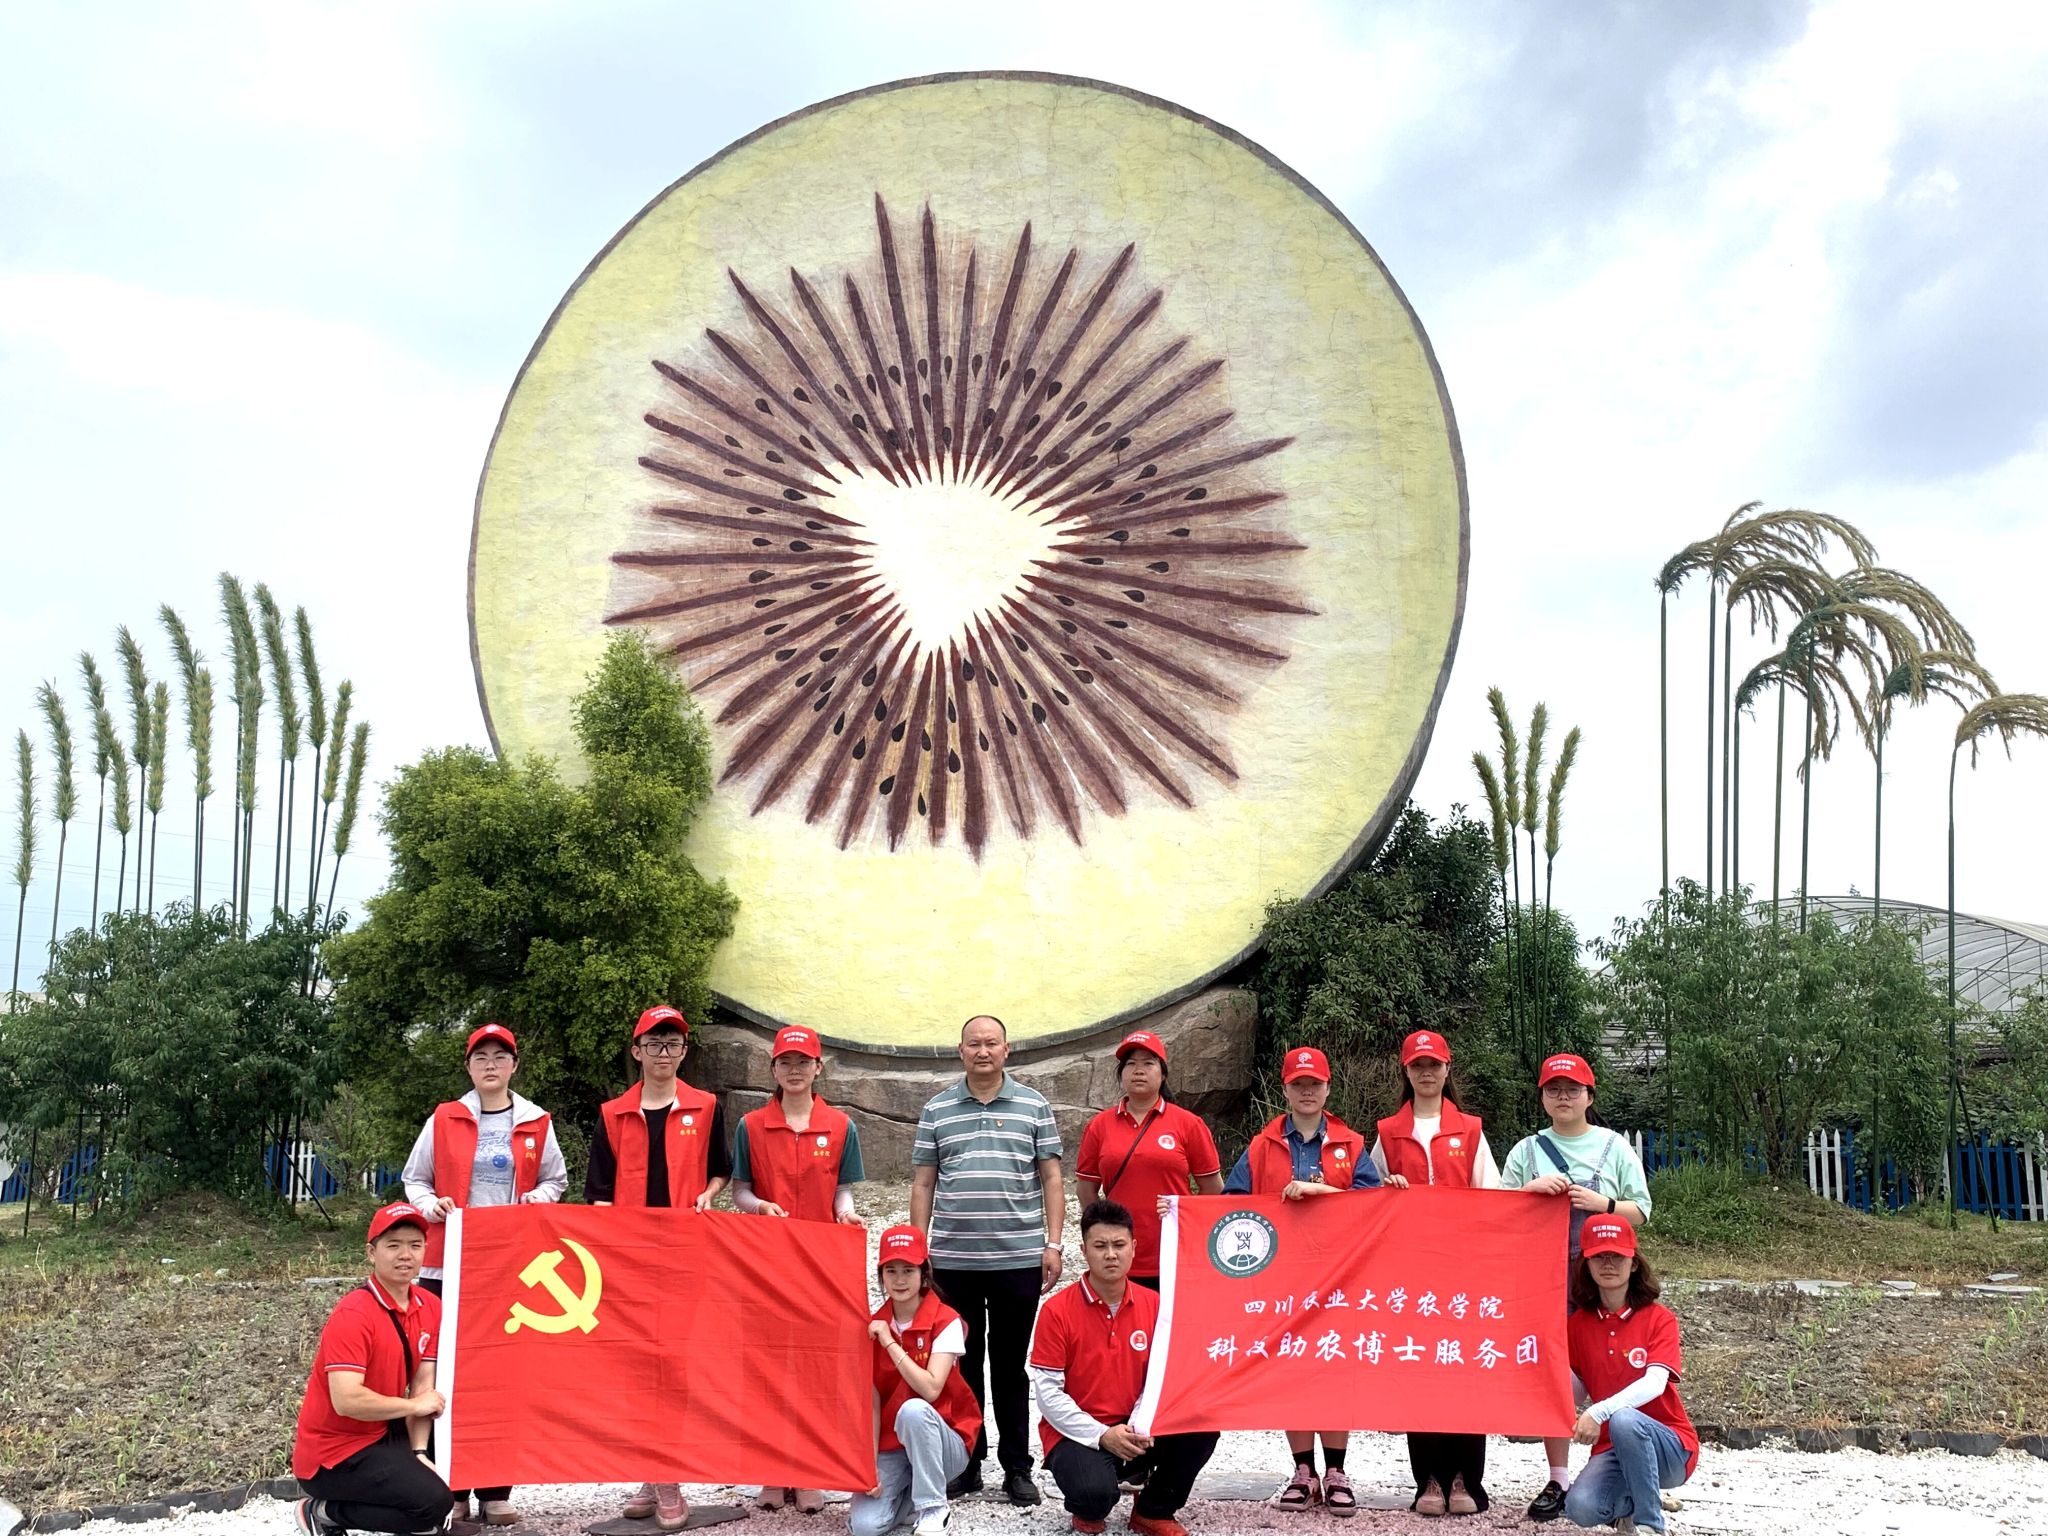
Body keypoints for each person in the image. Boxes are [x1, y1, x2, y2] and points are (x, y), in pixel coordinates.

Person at [400, 1022, 567, 1527]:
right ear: (469, 1067)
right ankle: (451, 1485)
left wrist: (536, 1199)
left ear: (514, 1065)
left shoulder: (536, 1121)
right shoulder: (444, 1118)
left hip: (510, 1264)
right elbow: (414, 1179)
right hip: (446, 1263)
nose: (490, 1065)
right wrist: (430, 1205)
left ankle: (496, 1488)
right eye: (481, 1057)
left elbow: (555, 1180)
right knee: (444, 1371)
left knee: (500, 1371)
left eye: (500, 1057)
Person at [586, 1004, 733, 1529]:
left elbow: (720, 1170)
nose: (664, 1052)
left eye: (673, 1043)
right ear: (637, 1051)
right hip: (628, 1262)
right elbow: (598, 1193)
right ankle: (653, 1475)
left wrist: (709, 1194)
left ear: (684, 1051)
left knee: (675, 1366)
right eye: (654, 1043)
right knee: (635, 1368)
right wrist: (610, 1252)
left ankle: (668, 1477)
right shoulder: (612, 1114)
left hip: (685, 1257)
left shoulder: (707, 1107)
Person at [910, 1014, 1064, 1507]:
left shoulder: (1034, 1105)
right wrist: (917, 1249)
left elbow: (1052, 1178)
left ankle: (1018, 1468)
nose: (982, 1051)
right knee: (963, 1365)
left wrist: (1054, 1244)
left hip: (1018, 1259)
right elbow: (924, 1183)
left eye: (991, 1043)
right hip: (953, 1262)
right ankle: (968, 1463)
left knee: (1011, 1368)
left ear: (1006, 1049)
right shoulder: (937, 1109)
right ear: (960, 1051)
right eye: (973, 1044)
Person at [1222, 1045, 1380, 1515]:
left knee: (1334, 1366)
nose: (1307, 1091)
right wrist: (1178, 1213)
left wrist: (1321, 1191)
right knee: (1291, 1367)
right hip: (1282, 1278)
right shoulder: (1262, 1145)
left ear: (1328, 1088)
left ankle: (1336, 1470)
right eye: (1298, 1084)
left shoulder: (1352, 1144)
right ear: (1285, 1090)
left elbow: (1373, 1208)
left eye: (1315, 1083)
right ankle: (1302, 1470)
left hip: (1340, 1276)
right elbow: (1231, 1205)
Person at [1498, 1053, 1652, 1524]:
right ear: (1542, 1097)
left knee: (1615, 1367)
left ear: (1589, 1096)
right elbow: (1498, 1212)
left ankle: (1625, 1472)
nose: (1563, 1097)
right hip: (1544, 1280)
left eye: (1572, 1089)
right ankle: (1559, 1477)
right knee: (1556, 1376)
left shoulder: (1613, 1146)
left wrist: (1602, 1202)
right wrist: (1529, 1192)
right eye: (1553, 1089)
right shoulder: (1526, 1152)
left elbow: (1642, 1210)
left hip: (1606, 1278)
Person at [733, 1023, 867, 1513]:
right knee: (768, 1366)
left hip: (820, 1264)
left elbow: (842, 1190)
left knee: (814, 1365)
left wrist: (846, 1214)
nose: (794, 1070)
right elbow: (740, 1191)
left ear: (817, 1068)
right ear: (773, 1069)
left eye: (803, 1062)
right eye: (785, 1062)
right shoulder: (750, 1126)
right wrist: (759, 1206)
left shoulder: (841, 1126)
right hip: (767, 1264)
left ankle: (809, 1471)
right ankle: (771, 1471)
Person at [1028, 1199, 1219, 1536]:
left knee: (1202, 1425)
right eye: (1100, 1246)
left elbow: (1163, 1376)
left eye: (1119, 1245)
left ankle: (1152, 1510)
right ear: (1084, 1250)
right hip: (1079, 1433)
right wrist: (1102, 1434)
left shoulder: (1156, 1305)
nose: (1111, 1255)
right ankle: (1088, 1504)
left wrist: (1138, 1423)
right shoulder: (1056, 1311)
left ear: (1134, 1248)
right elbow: (1048, 1395)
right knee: (1093, 1496)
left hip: (1138, 1425)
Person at [1369, 1029, 1498, 1518]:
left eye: (1434, 1064)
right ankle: (1427, 1477)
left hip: (1463, 1271)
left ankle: (1466, 1477)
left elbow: (1494, 1197)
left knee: (1465, 1368)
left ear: (1447, 1069)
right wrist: (1387, 1189)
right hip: (1410, 1273)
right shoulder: (1387, 1132)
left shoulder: (1470, 1129)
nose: (1426, 1072)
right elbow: (1368, 1198)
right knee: (1419, 1367)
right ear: (1405, 1071)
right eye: (1417, 1065)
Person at [291, 1202, 453, 1536]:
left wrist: (419, 1451)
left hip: (383, 1433)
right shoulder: (354, 1314)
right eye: (393, 1245)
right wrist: (412, 1406)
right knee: (432, 1504)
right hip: (335, 1453)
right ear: (371, 1253)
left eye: (415, 1245)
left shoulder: (430, 1306)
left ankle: (423, 1514)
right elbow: (347, 1401)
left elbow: (424, 1386)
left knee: (445, 1472)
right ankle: (323, 1512)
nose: (405, 1255)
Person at [1562, 1216, 1697, 1534]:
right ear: (1586, 1264)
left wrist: (1599, 1412)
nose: (1608, 1264)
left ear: (1634, 1263)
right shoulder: (1578, 1324)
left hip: (1670, 1446)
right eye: (1598, 1256)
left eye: (1617, 1256)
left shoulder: (1659, 1318)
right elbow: (1577, 1393)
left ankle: (1650, 1524)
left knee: (1624, 1419)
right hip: (1611, 1447)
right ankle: (1630, 1507)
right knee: (1580, 1507)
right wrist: (1549, 1359)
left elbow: (1655, 1383)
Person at [849, 1225, 982, 1536]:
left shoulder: (946, 1320)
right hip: (893, 1446)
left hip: (945, 1441)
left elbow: (931, 1389)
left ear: (924, 1274)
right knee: (864, 1527)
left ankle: (934, 1508)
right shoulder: (873, 1325)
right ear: (881, 1276)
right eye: (891, 1271)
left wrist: (889, 1342)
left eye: (908, 1270)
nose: (899, 1280)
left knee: (913, 1410)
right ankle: (911, 1498)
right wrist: (868, 1465)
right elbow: (872, 1400)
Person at [1075, 1030, 1223, 1291]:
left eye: (1148, 1063)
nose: (1138, 1070)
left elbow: (1213, 1189)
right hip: (1118, 1254)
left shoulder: (1188, 1124)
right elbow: (1086, 1189)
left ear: (1163, 1074)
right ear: (1121, 1073)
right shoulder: (1099, 1126)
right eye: (1131, 1063)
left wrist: (1187, 1222)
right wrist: (1104, 1228)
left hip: (1175, 1250)